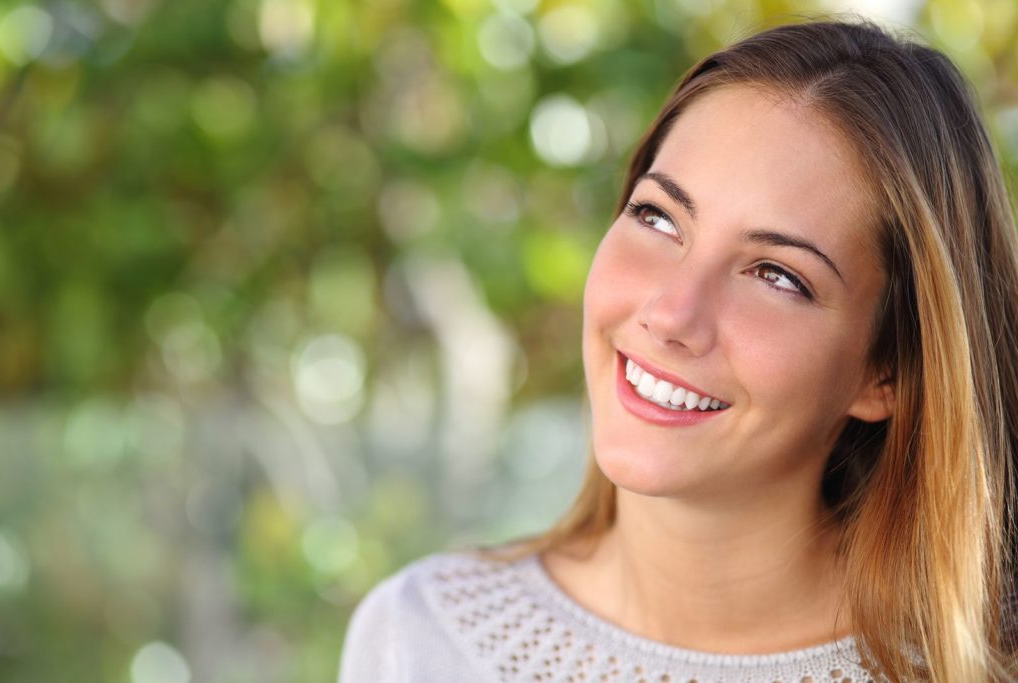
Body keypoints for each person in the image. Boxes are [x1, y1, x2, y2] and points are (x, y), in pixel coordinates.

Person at [338, 18, 1018, 682]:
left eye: (776, 275)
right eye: (657, 216)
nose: (670, 313)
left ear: (887, 372)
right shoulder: (418, 638)